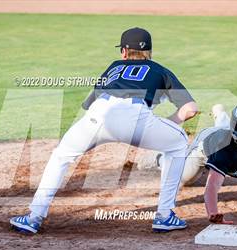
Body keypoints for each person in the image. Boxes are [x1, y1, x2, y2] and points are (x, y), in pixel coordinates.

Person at [10, 27, 198, 234]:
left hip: (96, 117)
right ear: (149, 52)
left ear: (124, 52)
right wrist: (167, 124)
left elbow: (88, 103)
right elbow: (190, 110)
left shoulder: (113, 67)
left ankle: (33, 217)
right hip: (136, 120)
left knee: (61, 156)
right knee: (178, 143)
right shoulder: (161, 70)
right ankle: (164, 215)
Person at [155, 102, 237, 224]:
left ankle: (220, 114)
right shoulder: (223, 147)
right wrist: (213, 212)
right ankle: (160, 159)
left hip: (226, 132)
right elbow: (212, 185)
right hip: (205, 146)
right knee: (185, 178)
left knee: (224, 128)